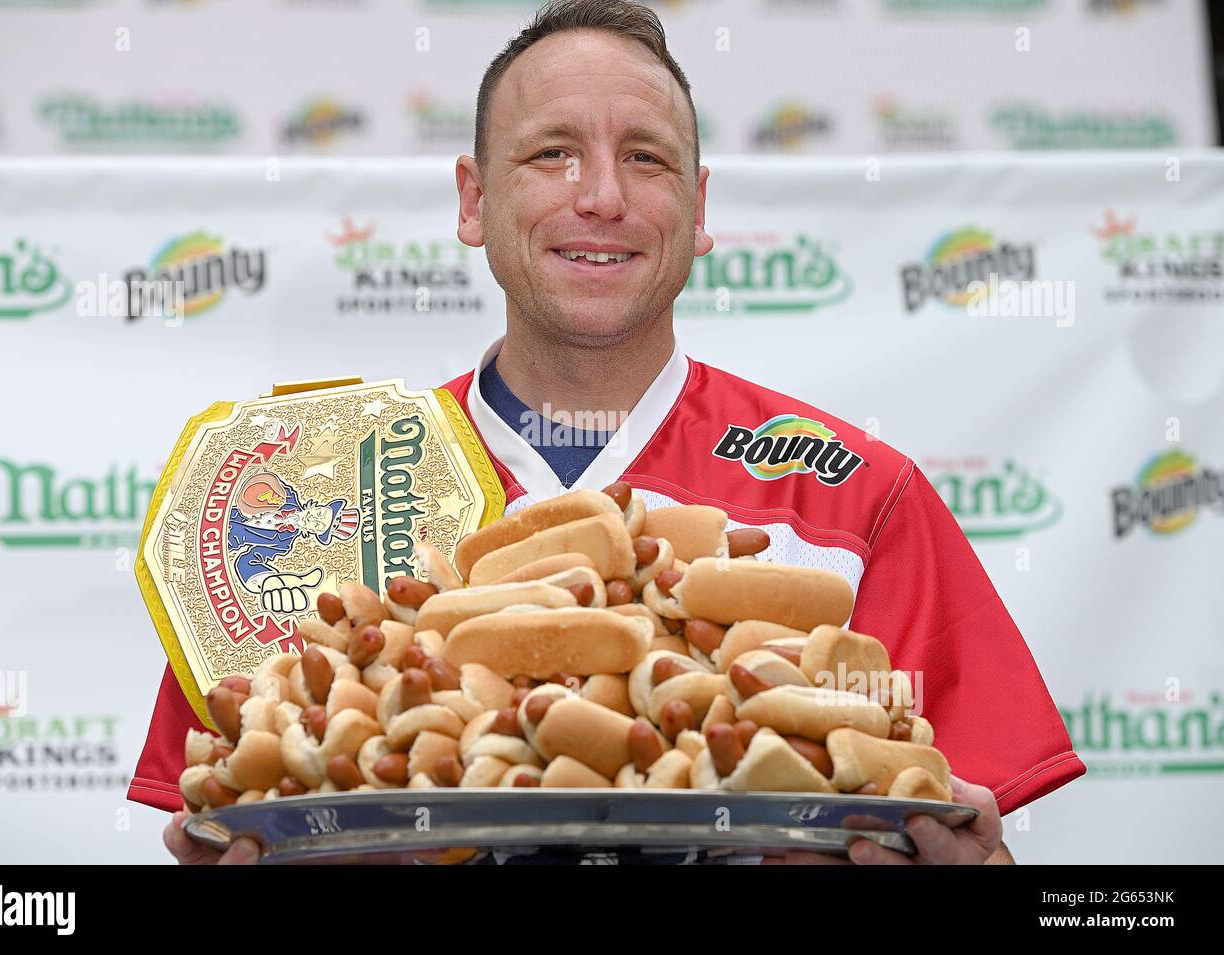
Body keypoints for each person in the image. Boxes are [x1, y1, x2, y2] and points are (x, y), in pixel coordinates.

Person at [146, 0, 1084, 865]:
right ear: (472, 200)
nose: (601, 195)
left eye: (646, 157)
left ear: (700, 207)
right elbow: (218, 804)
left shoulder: (854, 493)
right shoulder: (318, 493)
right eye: (551, 153)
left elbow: (970, 822)